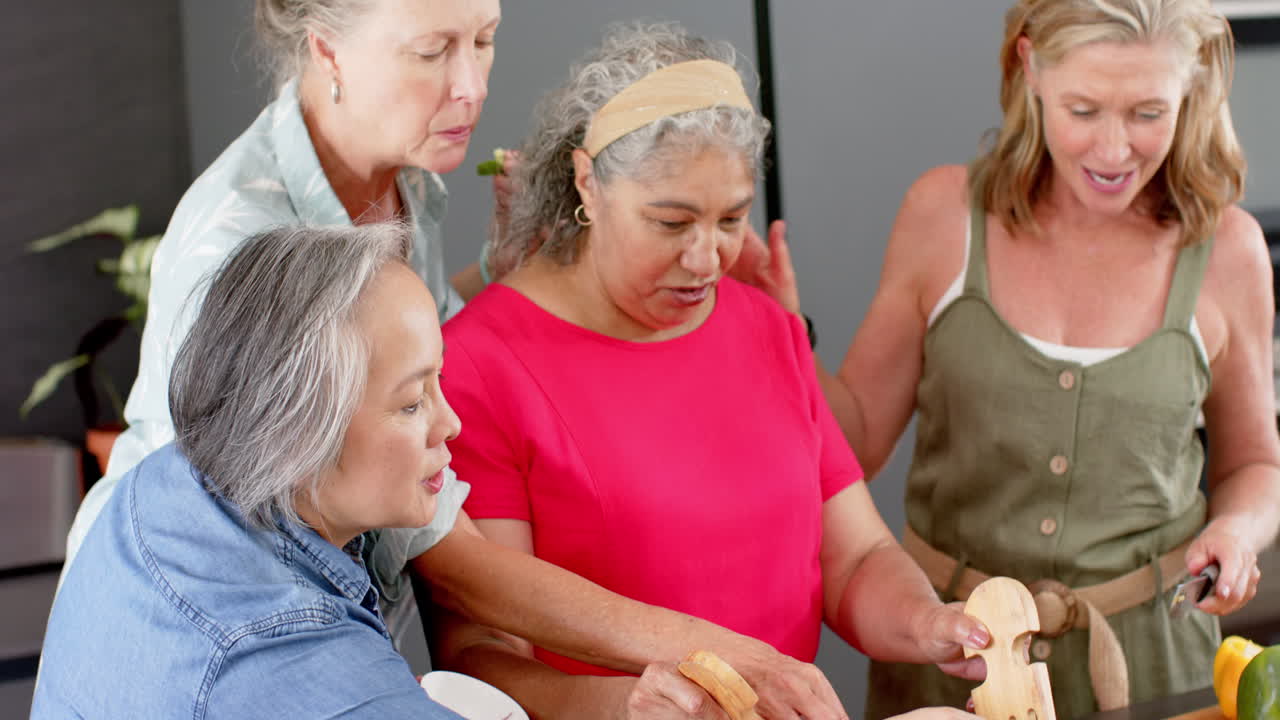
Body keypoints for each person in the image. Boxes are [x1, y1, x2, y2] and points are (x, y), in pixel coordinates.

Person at [48, 1, 861, 714]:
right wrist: (724, 656)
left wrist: (490, 277)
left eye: (485, 38)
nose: (471, 86)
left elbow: (384, 357)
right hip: (213, 635)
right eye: (433, 51)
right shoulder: (246, 248)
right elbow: (455, 557)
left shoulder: (400, 180)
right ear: (327, 48)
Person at [433, 22, 990, 720]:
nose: (707, 259)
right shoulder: (478, 365)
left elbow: (852, 561)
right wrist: (627, 705)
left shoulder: (765, 327)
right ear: (588, 184)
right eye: (671, 223)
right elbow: (479, 652)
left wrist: (928, 625)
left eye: (732, 218)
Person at [768, 1, 1280, 716]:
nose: (1112, 150)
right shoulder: (943, 215)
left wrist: (1237, 530)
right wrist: (783, 331)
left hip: (1156, 667)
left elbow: (1255, 465)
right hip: (955, 661)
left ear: (1190, 91)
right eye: (1084, 108)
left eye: (1146, 113)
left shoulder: (1227, 251)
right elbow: (853, 445)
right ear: (1029, 65)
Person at [34, 225, 476, 718]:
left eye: (438, 378)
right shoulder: (291, 655)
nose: (450, 424)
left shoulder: (159, 482)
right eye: (413, 403)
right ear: (300, 427)